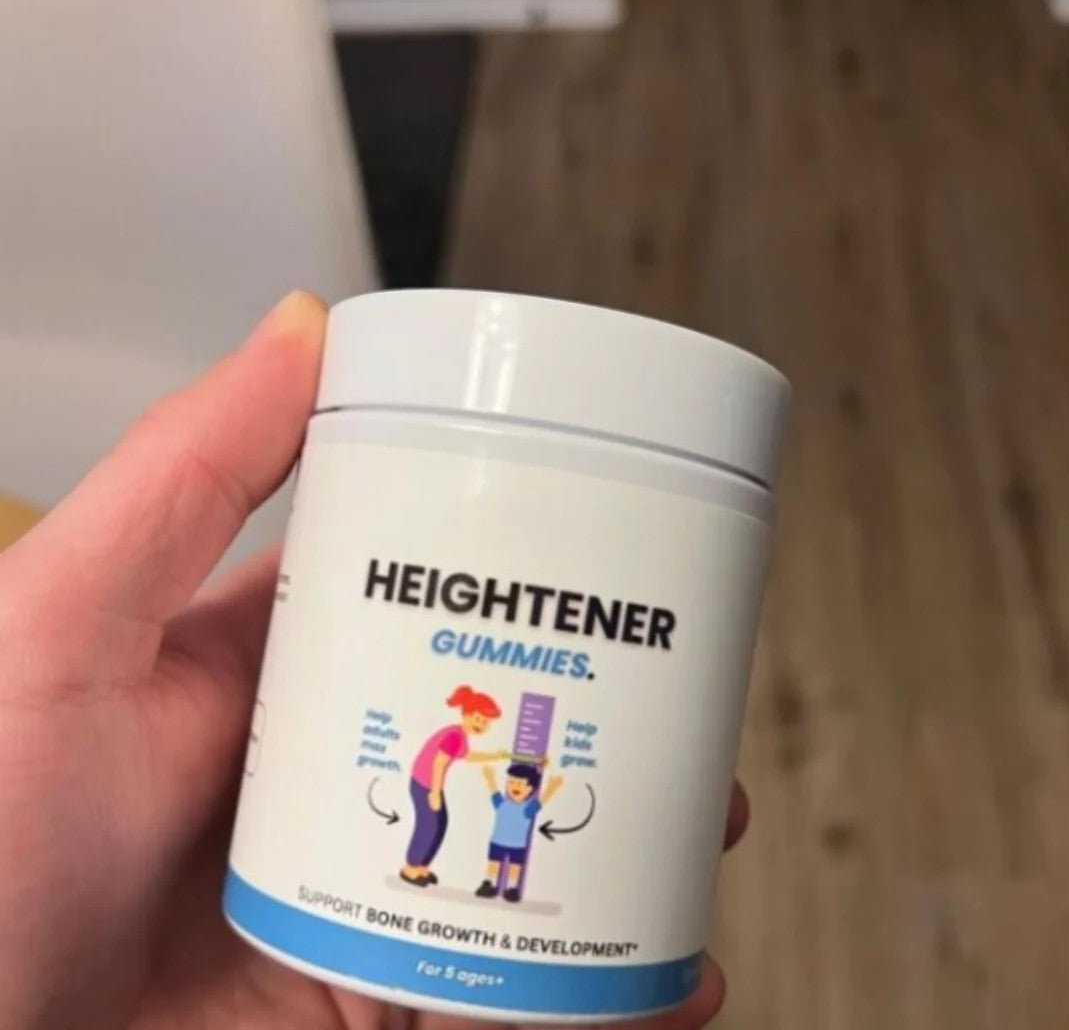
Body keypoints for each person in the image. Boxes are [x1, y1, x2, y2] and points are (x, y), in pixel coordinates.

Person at [0, 292, 749, 1028]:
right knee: (435, 829)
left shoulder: (469, 741)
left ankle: (452, 874)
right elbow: (462, 758)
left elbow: (488, 758)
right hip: (291, 896)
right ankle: (430, 871)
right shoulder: (451, 739)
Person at [401, 685, 509, 886]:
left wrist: (495, 755)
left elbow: (467, 756)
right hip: (425, 784)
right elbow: (439, 763)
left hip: (430, 784)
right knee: (428, 825)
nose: (480, 725)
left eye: (485, 722)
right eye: (477, 719)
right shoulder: (454, 736)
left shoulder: (460, 736)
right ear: (466, 715)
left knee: (440, 823)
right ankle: (410, 867)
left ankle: (422, 866)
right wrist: (435, 792)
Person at [476, 764, 564, 902]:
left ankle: (512, 888)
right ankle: (489, 883)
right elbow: (494, 791)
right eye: (511, 782)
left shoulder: (527, 809)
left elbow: (541, 801)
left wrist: (551, 788)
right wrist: (490, 778)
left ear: (530, 788)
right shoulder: (502, 804)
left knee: (514, 867)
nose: (514, 787)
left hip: (517, 845)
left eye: (520, 784)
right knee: (493, 864)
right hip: (497, 841)